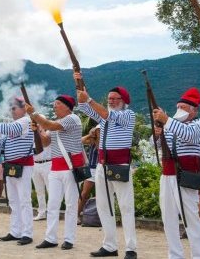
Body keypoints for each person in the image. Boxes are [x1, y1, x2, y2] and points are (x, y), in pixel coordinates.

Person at [75, 73, 138, 259]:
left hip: (120, 163)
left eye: (114, 98)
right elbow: (84, 107)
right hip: (102, 164)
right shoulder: (105, 118)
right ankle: (109, 245)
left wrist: (90, 99)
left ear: (123, 100)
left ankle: (131, 248)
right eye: (109, 98)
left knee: (126, 206)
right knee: (104, 205)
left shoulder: (128, 114)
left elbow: (103, 112)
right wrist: (78, 81)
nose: (111, 101)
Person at [153, 87, 200, 259]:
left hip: (186, 175)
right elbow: (157, 146)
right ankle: (175, 255)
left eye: (184, 107)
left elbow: (188, 135)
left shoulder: (199, 125)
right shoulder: (171, 126)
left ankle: (198, 256)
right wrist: (157, 134)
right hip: (167, 174)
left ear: (194, 110)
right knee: (168, 217)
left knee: (190, 218)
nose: (180, 110)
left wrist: (166, 120)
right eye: (179, 106)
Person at [27, 95, 83, 251]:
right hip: (56, 168)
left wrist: (34, 114)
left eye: (57, 104)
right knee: (52, 204)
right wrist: (38, 129)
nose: (54, 106)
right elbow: (45, 142)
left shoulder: (73, 119)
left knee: (71, 205)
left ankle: (69, 239)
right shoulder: (57, 123)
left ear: (67, 106)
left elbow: (48, 125)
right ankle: (50, 238)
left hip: (71, 167)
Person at [0, 97, 35, 246]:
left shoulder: (25, 121)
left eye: (14, 108)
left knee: (24, 201)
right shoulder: (13, 124)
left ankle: (27, 233)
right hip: (11, 166)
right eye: (11, 108)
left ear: (23, 109)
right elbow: (1, 144)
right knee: (14, 201)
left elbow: (11, 129)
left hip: (24, 165)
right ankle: (15, 231)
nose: (12, 110)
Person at [77, 126, 98, 226]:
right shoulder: (91, 141)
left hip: (101, 169)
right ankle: (76, 215)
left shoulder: (102, 141)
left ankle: (97, 216)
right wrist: (90, 135)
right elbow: (79, 141)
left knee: (101, 194)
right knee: (84, 194)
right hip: (91, 169)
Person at [31, 123, 51, 221]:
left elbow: (46, 142)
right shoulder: (32, 135)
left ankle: (51, 212)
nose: (38, 125)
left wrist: (39, 130)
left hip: (47, 163)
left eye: (39, 123)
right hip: (35, 164)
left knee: (50, 189)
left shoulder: (47, 133)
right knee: (39, 190)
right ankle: (42, 212)